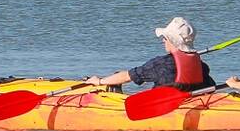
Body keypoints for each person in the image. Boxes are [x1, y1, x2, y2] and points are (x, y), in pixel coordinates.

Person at [84, 17, 216, 92]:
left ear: (171, 40)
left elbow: (128, 76)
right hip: (188, 102)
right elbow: (211, 87)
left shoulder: (161, 64)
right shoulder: (201, 65)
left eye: (165, 38)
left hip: (164, 107)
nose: (163, 40)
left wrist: (99, 81)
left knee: (116, 83)